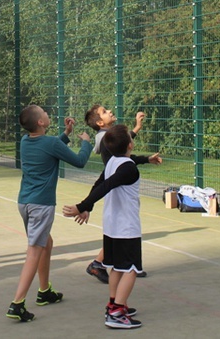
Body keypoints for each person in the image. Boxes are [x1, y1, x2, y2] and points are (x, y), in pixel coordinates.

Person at [6, 105, 92, 323]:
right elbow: (79, 161)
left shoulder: (26, 141)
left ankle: (44, 291)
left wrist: (66, 134)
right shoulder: (50, 143)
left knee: (47, 242)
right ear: (41, 122)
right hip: (41, 206)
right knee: (34, 251)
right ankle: (17, 303)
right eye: (43, 112)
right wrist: (86, 142)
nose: (47, 113)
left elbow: (50, 149)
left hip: (24, 203)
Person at [63, 124, 144, 329]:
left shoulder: (112, 163)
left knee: (116, 267)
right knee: (131, 269)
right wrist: (82, 206)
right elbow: (107, 186)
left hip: (111, 226)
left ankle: (113, 305)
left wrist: (86, 206)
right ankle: (117, 313)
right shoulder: (127, 168)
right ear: (130, 144)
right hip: (126, 227)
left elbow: (100, 184)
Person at [83, 105, 160, 283]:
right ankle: (122, 265)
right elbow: (123, 152)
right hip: (118, 187)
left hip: (117, 184)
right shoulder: (105, 138)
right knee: (123, 230)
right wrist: (86, 205)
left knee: (117, 230)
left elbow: (125, 151)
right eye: (104, 111)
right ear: (100, 122)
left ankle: (103, 264)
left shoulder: (108, 138)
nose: (110, 111)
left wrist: (137, 131)